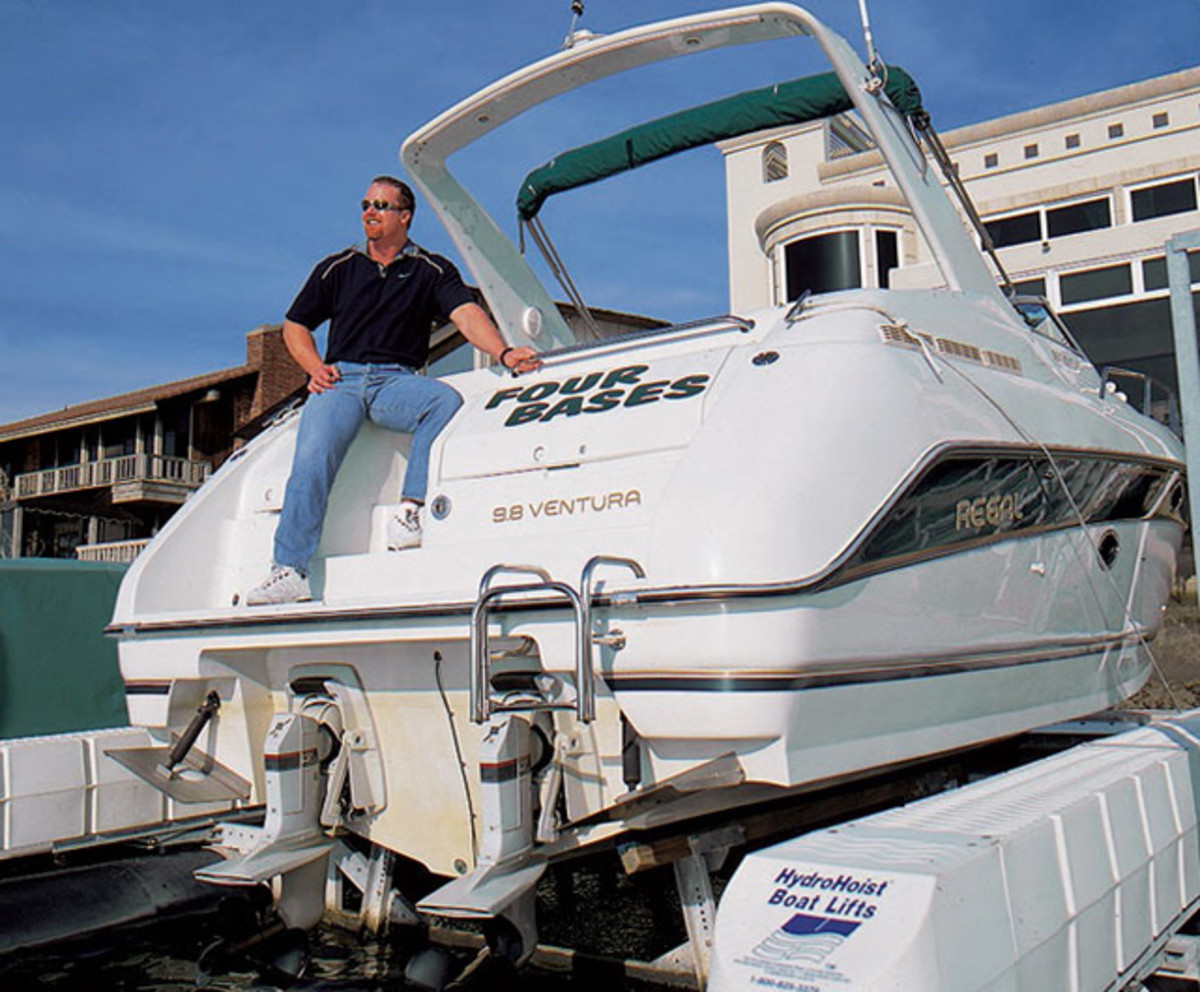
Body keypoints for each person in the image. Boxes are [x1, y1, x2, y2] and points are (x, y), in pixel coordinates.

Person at [247, 176, 539, 606]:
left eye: (381, 205)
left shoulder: (430, 270)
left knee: (443, 400)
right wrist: (313, 367)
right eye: (366, 203)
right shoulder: (338, 267)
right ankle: (289, 571)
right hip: (340, 381)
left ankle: (411, 509)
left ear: (405, 216)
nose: (370, 211)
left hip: (396, 380)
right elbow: (295, 325)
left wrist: (504, 352)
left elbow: (466, 314)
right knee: (310, 459)